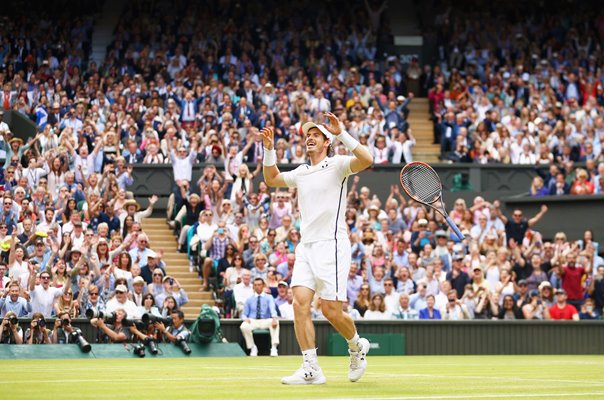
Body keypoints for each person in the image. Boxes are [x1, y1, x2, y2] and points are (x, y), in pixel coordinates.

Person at [262, 112, 373, 384]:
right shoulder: (301, 172)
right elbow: (272, 179)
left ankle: (356, 346)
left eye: (316, 135)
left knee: (330, 310)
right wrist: (268, 150)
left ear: (327, 142)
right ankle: (311, 369)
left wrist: (342, 132)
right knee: (300, 304)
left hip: (332, 246)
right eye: (307, 135)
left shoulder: (338, 165)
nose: (310, 138)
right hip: (306, 247)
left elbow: (367, 160)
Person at [240, 278, 280, 357]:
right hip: (253, 321)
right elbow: (244, 314)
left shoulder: (269, 297)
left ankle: (274, 347)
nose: (257, 287)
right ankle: (252, 347)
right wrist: (245, 319)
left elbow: (273, 309)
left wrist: (274, 318)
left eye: (259, 285)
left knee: (276, 322)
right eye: (255, 285)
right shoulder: (249, 299)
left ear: (263, 286)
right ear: (253, 287)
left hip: (265, 320)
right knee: (243, 326)